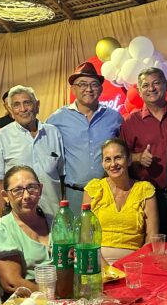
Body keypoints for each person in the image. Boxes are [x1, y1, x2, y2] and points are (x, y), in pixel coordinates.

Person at [119, 67, 167, 238]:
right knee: (157, 242)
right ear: (139, 91)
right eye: (145, 85)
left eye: (156, 83)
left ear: (166, 85)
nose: (151, 88)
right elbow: (121, 156)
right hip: (151, 195)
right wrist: (137, 157)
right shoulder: (131, 123)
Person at [47, 61, 123, 211]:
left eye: (94, 84)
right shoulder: (57, 119)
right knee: (77, 228)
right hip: (75, 194)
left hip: (109, 192)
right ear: (73, 89)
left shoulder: (114, 118)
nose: (88, 89)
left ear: (100, 89)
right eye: (82, 84)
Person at [0, 85, 64, 220]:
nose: (23, 109)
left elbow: (62, 177)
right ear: (10, 110)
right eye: (16, 105)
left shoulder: (53, 133)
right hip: (19, 218)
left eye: (27, 103)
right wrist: (5, 219)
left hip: (53, 215)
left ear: (37, 106)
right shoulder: (0, 138)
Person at [83, 139, 158, 265]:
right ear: (102, 164)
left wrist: (134, 266)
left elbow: (152, 237)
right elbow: (85, 236)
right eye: (107, 159)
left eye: (118, 158)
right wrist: (105, 268)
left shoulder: (145, 190)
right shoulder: (93, 189)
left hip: (133, 263)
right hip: (96, 262)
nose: (113, 164)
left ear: (129, 160)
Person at [0, 165, 51, 295]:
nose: (27, 196)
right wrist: (52, 296)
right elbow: (13, 283)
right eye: (18, 190)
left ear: (40, 190)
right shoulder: (2, 231)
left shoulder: (55, 222)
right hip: (32, 301)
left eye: (32, 188)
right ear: (5, 196)